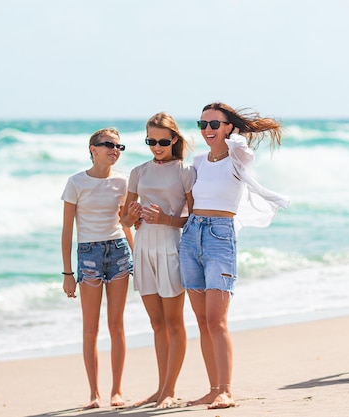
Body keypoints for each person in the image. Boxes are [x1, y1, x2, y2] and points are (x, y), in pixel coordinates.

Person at [181, 102, 290, 409]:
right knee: (202, 321)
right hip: (191, 236)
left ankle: (226, 390)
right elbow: (187, 201)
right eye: (202, 124)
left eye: (214, 124)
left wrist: (235, 136)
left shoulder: (239, 157)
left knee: (217, 320)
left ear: (229, 128)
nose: (207, 130)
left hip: (220, 237)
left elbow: (242, 149)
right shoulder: (199, 161)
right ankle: (213, 387)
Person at [121, 112, 196, 408]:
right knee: (156, 324)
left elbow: (194, 219)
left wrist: (166, 219)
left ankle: (169, 390)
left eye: (162, 141)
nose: (156, 146)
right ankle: (160, 387)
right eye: (150, 141)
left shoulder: (185, 171)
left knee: (174, 323)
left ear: (174, 139)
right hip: (143, 249)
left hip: (171, 248)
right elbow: (123, 217)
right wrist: (132, 215)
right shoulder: (139, 172)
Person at [61, 127, 134, 410]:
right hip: (88, 255)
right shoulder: (76, 182)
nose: (114, 150)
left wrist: (137, 255)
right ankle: (94, 393)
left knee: (117, 325)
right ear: (93, 149)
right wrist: (68, 273)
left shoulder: (123, 183)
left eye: (118, 146)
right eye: (108, 145)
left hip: (118, 251)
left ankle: (116, 390)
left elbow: (125, 223)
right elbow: (67, 230)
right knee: (90, 329)